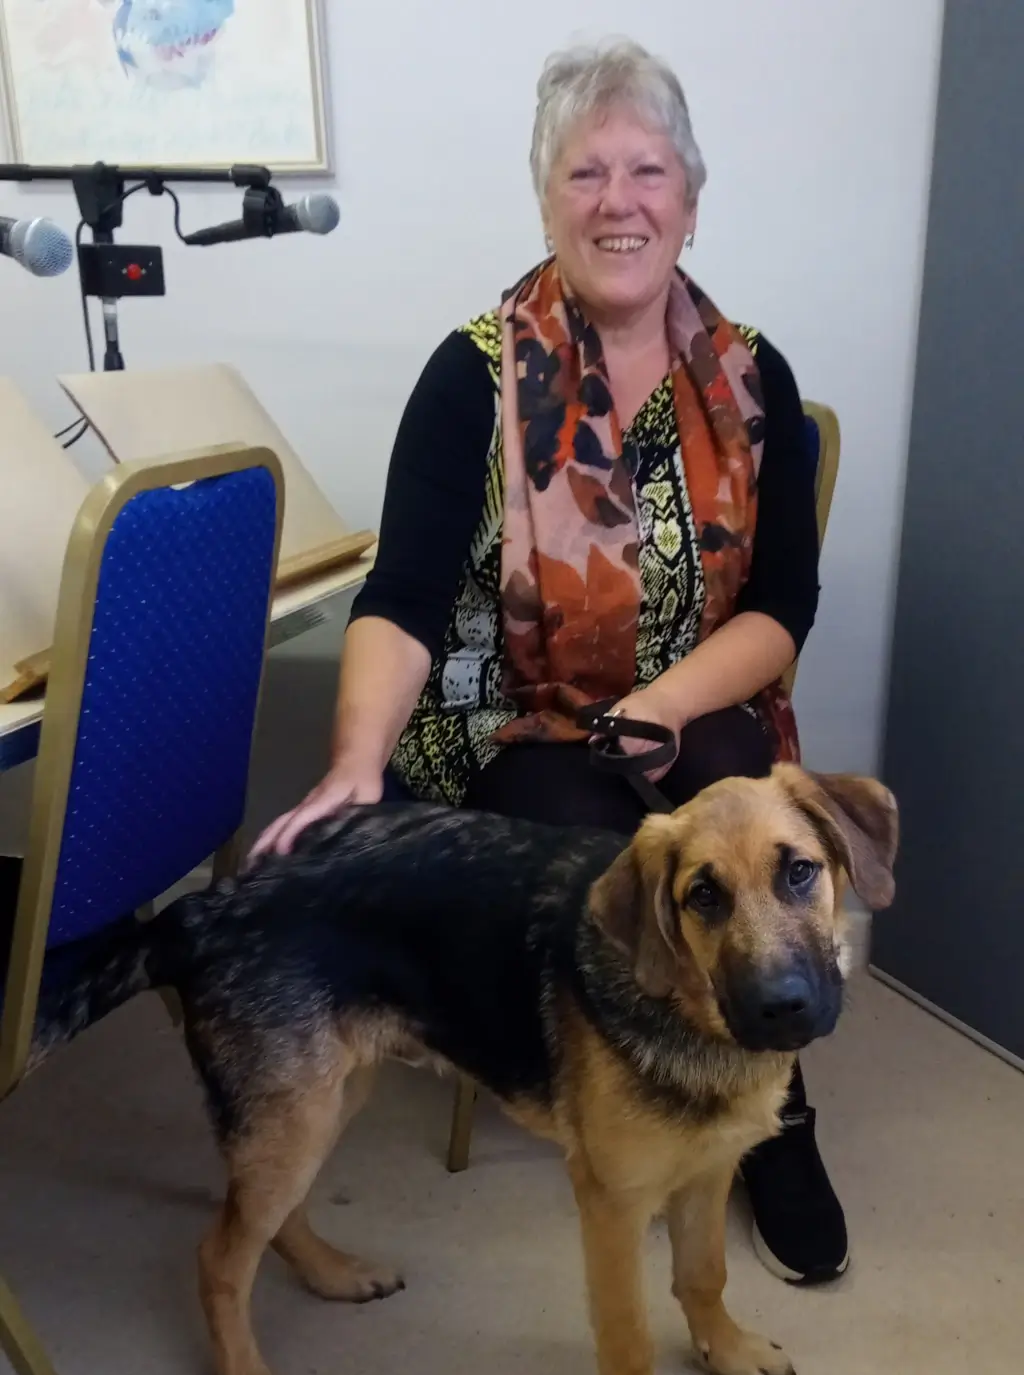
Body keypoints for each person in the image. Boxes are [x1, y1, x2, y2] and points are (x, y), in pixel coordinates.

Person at [254, 39, 846, 1285]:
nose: (615, 201)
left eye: (645, 171)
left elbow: (782, 604)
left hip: (692, 712)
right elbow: (405, 594)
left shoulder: (755, 375)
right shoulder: (472, 373)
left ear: (689, 198)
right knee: (590, 841)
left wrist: (662, 702)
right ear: (545, 199)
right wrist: (355, 763)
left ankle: (771, 1105)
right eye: (584, 173)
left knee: (730, 784)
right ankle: (633, 1109)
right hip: (507, 720)